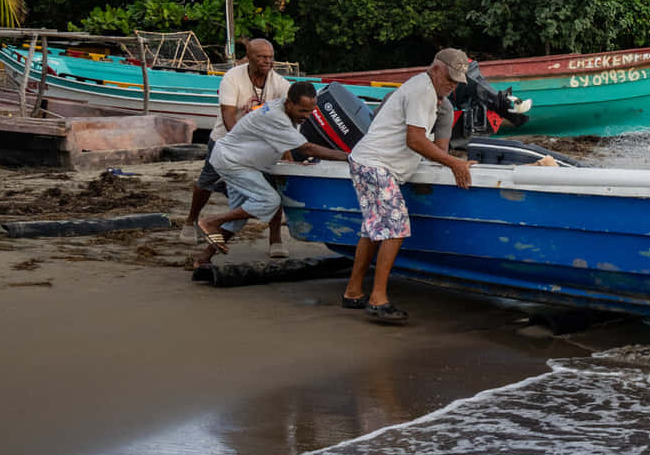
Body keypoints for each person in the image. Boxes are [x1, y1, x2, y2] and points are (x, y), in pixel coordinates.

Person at [342, 49, 474, 324]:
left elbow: (424, 142)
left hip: (368, 162)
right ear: (436, 69)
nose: (452, 85)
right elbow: (415, 140)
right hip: (377, 164)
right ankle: (378, 299)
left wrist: (446, 159)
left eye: (457, 81)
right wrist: (453, 163)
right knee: (396, 227)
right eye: (449, 78)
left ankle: (353, 291)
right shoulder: (421, 90)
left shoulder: (428, 91)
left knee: (373, 229)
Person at [193, 81, 350, 266]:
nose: (306, 116)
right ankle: (212, 221)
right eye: (302, 111)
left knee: (238, 218)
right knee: (270, 201)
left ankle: (203, 258)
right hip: (233, 162)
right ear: (289, 103)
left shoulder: (288, 111)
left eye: (310, 111)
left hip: (242, 162)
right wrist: (348, 156)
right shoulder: (276, 117)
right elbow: (307, 148)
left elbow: (286, 144)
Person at [185, 37, 292, 255]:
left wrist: (286, 152)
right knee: (206, 181)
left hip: (263, 145)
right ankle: (191, 220)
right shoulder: (232, 78)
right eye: (261, 57)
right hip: (226, 139)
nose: (267, 61)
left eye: (270, 57)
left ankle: (275, 238)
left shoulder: (280, 84)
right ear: (248, 57)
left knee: (275, 186)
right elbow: (228, 116)